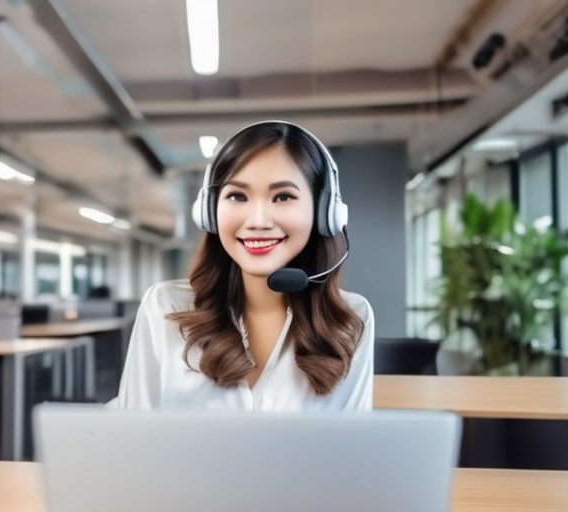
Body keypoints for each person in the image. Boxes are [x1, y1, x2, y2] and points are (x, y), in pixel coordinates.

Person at [109, 120, 373, 411]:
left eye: (283, 196)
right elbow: (134, 430)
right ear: (210, 211)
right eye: (238, 196)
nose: (258, 221)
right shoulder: (166, 308)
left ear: (324, 213)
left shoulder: (351, 320)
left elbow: (351, 446)